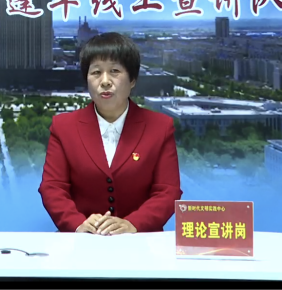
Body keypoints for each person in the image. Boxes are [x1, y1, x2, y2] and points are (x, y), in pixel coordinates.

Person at [38, 32, 182, 235]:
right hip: (82, 241)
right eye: (96, 72)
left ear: (132, 79)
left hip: (141, 241)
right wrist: (78, 223)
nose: (105, 81)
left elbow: (167, 191)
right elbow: (53, 187)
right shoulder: (63, 127)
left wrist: (133, 224)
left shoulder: (160, 127)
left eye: (115, 71)